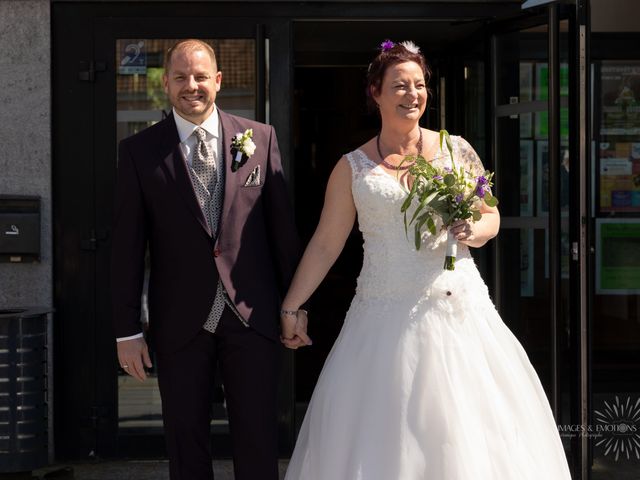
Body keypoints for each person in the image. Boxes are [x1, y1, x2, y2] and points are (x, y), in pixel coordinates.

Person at [281, 41, 572, 479]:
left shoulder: (456, 150)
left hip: (458, 311)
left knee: (466, 432)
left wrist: (475, 230)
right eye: (399, 85)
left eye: (419, 85)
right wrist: (292, 306)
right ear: (375, 92)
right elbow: (326, 243)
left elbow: (491, 214)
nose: (412, 94)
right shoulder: (353, 168)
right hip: (381, 318)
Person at [111, 39, 310, 480]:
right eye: (180, 77)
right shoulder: (139, 152)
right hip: (180, 320)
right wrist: (126, 331)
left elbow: (282, 234)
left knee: (258, 440)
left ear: (218, 80)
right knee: (186, 444)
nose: (191, 86)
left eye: (201, 76)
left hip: (251, 315)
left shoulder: (259, 138)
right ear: (166, 84)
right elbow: (127, 247)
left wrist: (294, 307)